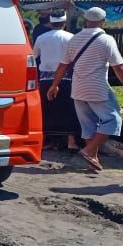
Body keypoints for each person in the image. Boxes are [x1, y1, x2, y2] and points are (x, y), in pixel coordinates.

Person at [46, 7, 123, 172]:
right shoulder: (106, 40)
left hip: (78, 89)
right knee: (113, 119)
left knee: (88, 125)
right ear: (102, 21)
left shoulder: (75, 39)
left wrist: (54, 85)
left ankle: (92, 159)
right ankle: (89, 150)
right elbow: (119, 66)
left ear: (86, 20)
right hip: (97, 88)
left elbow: (63, 65)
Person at [33, 10, 79, 151]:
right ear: (64, 23)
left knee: (46, 110)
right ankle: (71, 142)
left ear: (51, 22)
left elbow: (34, 56)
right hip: (66, 79)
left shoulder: (41, 38)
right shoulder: (72, 38)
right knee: (69, 110)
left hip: (46, 79)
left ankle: (45, 141)